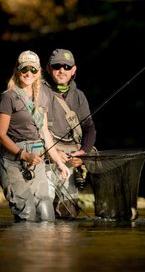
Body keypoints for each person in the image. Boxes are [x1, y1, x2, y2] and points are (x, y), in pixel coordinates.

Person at [0, 50, 71, 222]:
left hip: (37, 158)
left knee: (45, 211)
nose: (29, 73)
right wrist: (23, 155)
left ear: (39, 72)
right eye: (25, 69)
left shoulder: (43, 96)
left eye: (33, 70)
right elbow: (0, 135)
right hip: (13, 160)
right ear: (18, 70)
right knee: (27, 212)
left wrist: (60, 163)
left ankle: (41, 249)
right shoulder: (8, 98)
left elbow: (45, 132)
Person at [43, 48, 97, 218]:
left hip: (72, 162)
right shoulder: (40, 93)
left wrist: (82, 153)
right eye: (57, 66)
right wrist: (54, 153)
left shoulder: (79, 96)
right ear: (48, 68)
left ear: (74, 70)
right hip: (45, 161)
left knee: (68, 217)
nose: (62, 70)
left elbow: (90, 129)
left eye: (67, 67)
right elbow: (33, 130)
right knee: (44, 217)